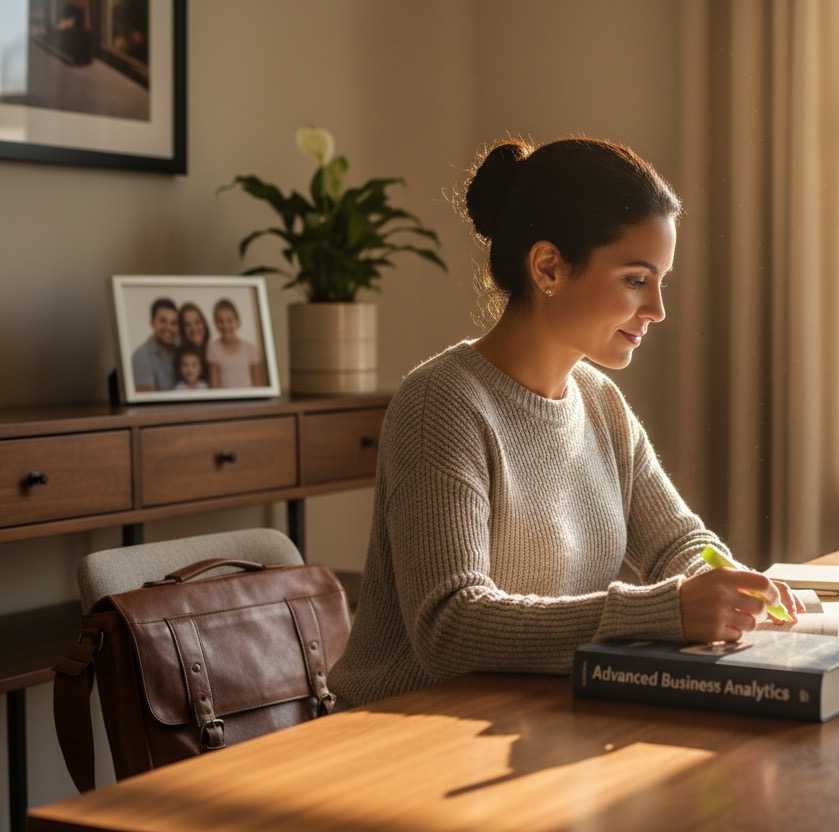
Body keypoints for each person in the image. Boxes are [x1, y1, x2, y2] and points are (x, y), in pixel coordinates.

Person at [328, 137, 802, 709]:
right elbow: (448, 629)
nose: (657, 309)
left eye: (661, 281)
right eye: (635, 279)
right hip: (406, 735)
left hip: (533, 722)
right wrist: (666, 611)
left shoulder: (600, 403)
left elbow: (679, 542)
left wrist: (739, 588)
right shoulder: (442, 404)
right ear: (548, 266)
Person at [205, 298, 266, 388]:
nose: (225, 326)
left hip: (249, 400)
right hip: (224, 401)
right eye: (220, 321)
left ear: (237, 322)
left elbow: (257, 384)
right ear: (215, 324)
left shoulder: (250, 349)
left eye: (230, 320)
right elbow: (214, 385)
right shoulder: (213, 349)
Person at [130, 297, 178, 392]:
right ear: (152, 322)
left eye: (173, 323)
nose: (168, 327)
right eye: (162, 321)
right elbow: (146, 403)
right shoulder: (141, 356)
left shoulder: (179, 351)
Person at [177, 302, 210, 385]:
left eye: (197, 322)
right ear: (182, 330)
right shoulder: (179, 356)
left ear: (204, 324)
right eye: (188, 325)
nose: (194, 328)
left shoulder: (214, 350)